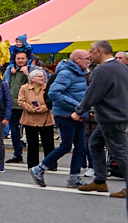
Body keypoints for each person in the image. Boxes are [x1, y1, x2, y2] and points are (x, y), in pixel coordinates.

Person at [74, 40, 128, 201]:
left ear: (99, 52)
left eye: (91, 51)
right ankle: (99, 180)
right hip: (118, 114)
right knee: (95, 143)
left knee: (120, 152)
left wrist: (79, 111)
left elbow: (93, 93)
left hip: (111, 117)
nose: (89, 55)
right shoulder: (122, 68)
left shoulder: (102, 70)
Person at [31, 49, 91, 188]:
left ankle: (74, 177)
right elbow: (54, 93)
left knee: (81, 146)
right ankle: (39, 169)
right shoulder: (66, 73)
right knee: (65, 146)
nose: (89, 61)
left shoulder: (79, 73)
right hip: (66, 115)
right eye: (86, 58)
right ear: (77, 59)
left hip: (77, 115)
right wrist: (77, 106)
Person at [17, 69, 55, 170]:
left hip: (46, 119)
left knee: (48, 143)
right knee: (32, 144)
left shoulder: (48, 87)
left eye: (43, 76)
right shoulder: (24, 88)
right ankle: (33, 165)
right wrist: (32, 109)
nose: (42, 78)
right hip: (29, 119)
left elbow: (53, 100)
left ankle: (50, 164)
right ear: (32, 78)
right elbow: (21, 101)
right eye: (39, 76)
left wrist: (43, 108)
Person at [5, 52, 31, 164]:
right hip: (12, 104)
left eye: (22, 58)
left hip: (25, 105)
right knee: (14, 131)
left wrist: (27, 74)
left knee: (29, 131)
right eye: (18, 58)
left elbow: (35, 84)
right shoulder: (10, 70)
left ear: (26, 59)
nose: (20, 60)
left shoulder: (30, 69)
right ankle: (17, 153)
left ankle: (31, 156)